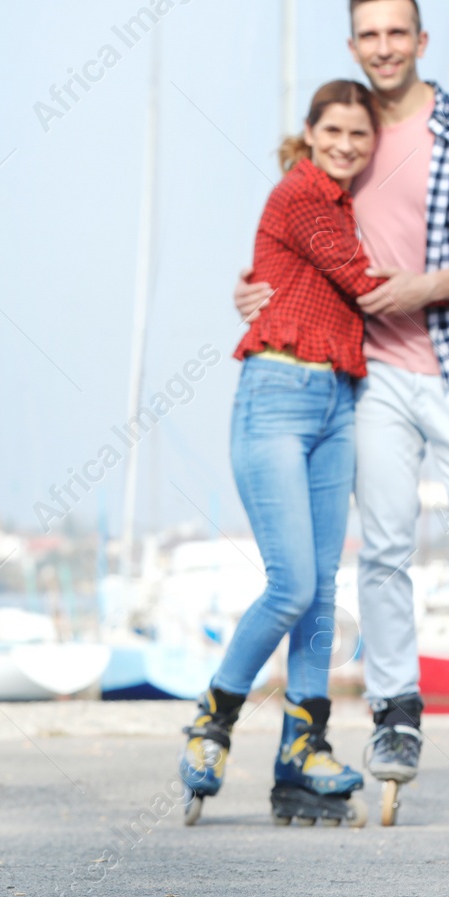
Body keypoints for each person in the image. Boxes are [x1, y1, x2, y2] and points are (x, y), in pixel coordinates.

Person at [234, 0, 449, 822]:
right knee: (381, 551)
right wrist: (256, 292)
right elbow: (298, 243)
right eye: (368, 34)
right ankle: (396, 715)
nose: (383, 46)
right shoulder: (350, 140)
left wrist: (430, 287)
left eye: (397, 32)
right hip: (371, 376)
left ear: (420, 38)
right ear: (353, 46)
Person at [180, 80, 386, 828]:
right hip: (276, 393)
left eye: (360, 135)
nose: (346, 144)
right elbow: (365, 282)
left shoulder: (353, 206)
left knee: (324, 592)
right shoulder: (300, 193)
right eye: (333, 130)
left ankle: (304, 753)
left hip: (338, 402)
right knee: (293, 583)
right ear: (310, 132)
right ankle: (214, 717)